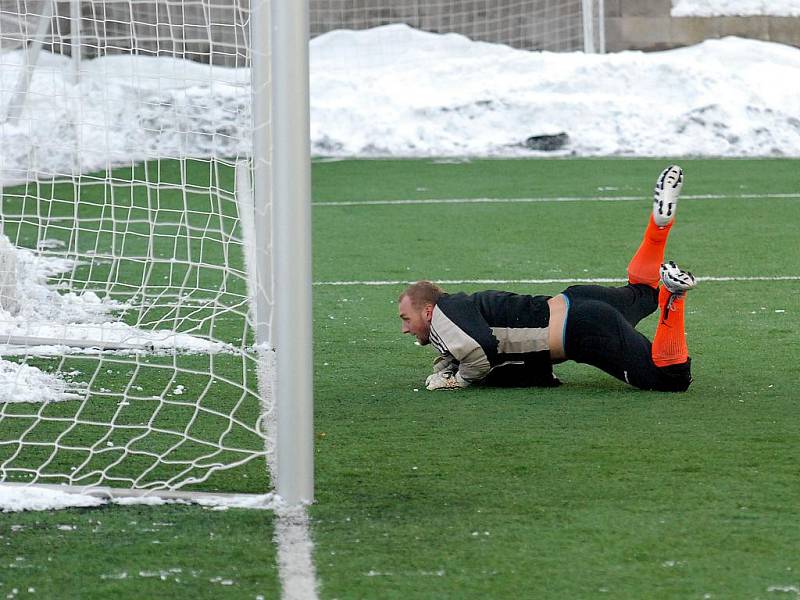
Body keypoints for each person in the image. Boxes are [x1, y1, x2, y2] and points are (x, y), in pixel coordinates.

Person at [397, 165, 696, 393]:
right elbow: (502, 351)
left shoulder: (443, 314)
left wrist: (458, 380)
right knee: (643, 293)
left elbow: (479, 351)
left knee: (670, 379)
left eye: (406, 318)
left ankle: (674, 295)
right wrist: (449, 365)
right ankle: (659, 227)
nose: (404, 328)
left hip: (581, 327)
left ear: (427, 310)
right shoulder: (462, 309)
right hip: (576, 302)